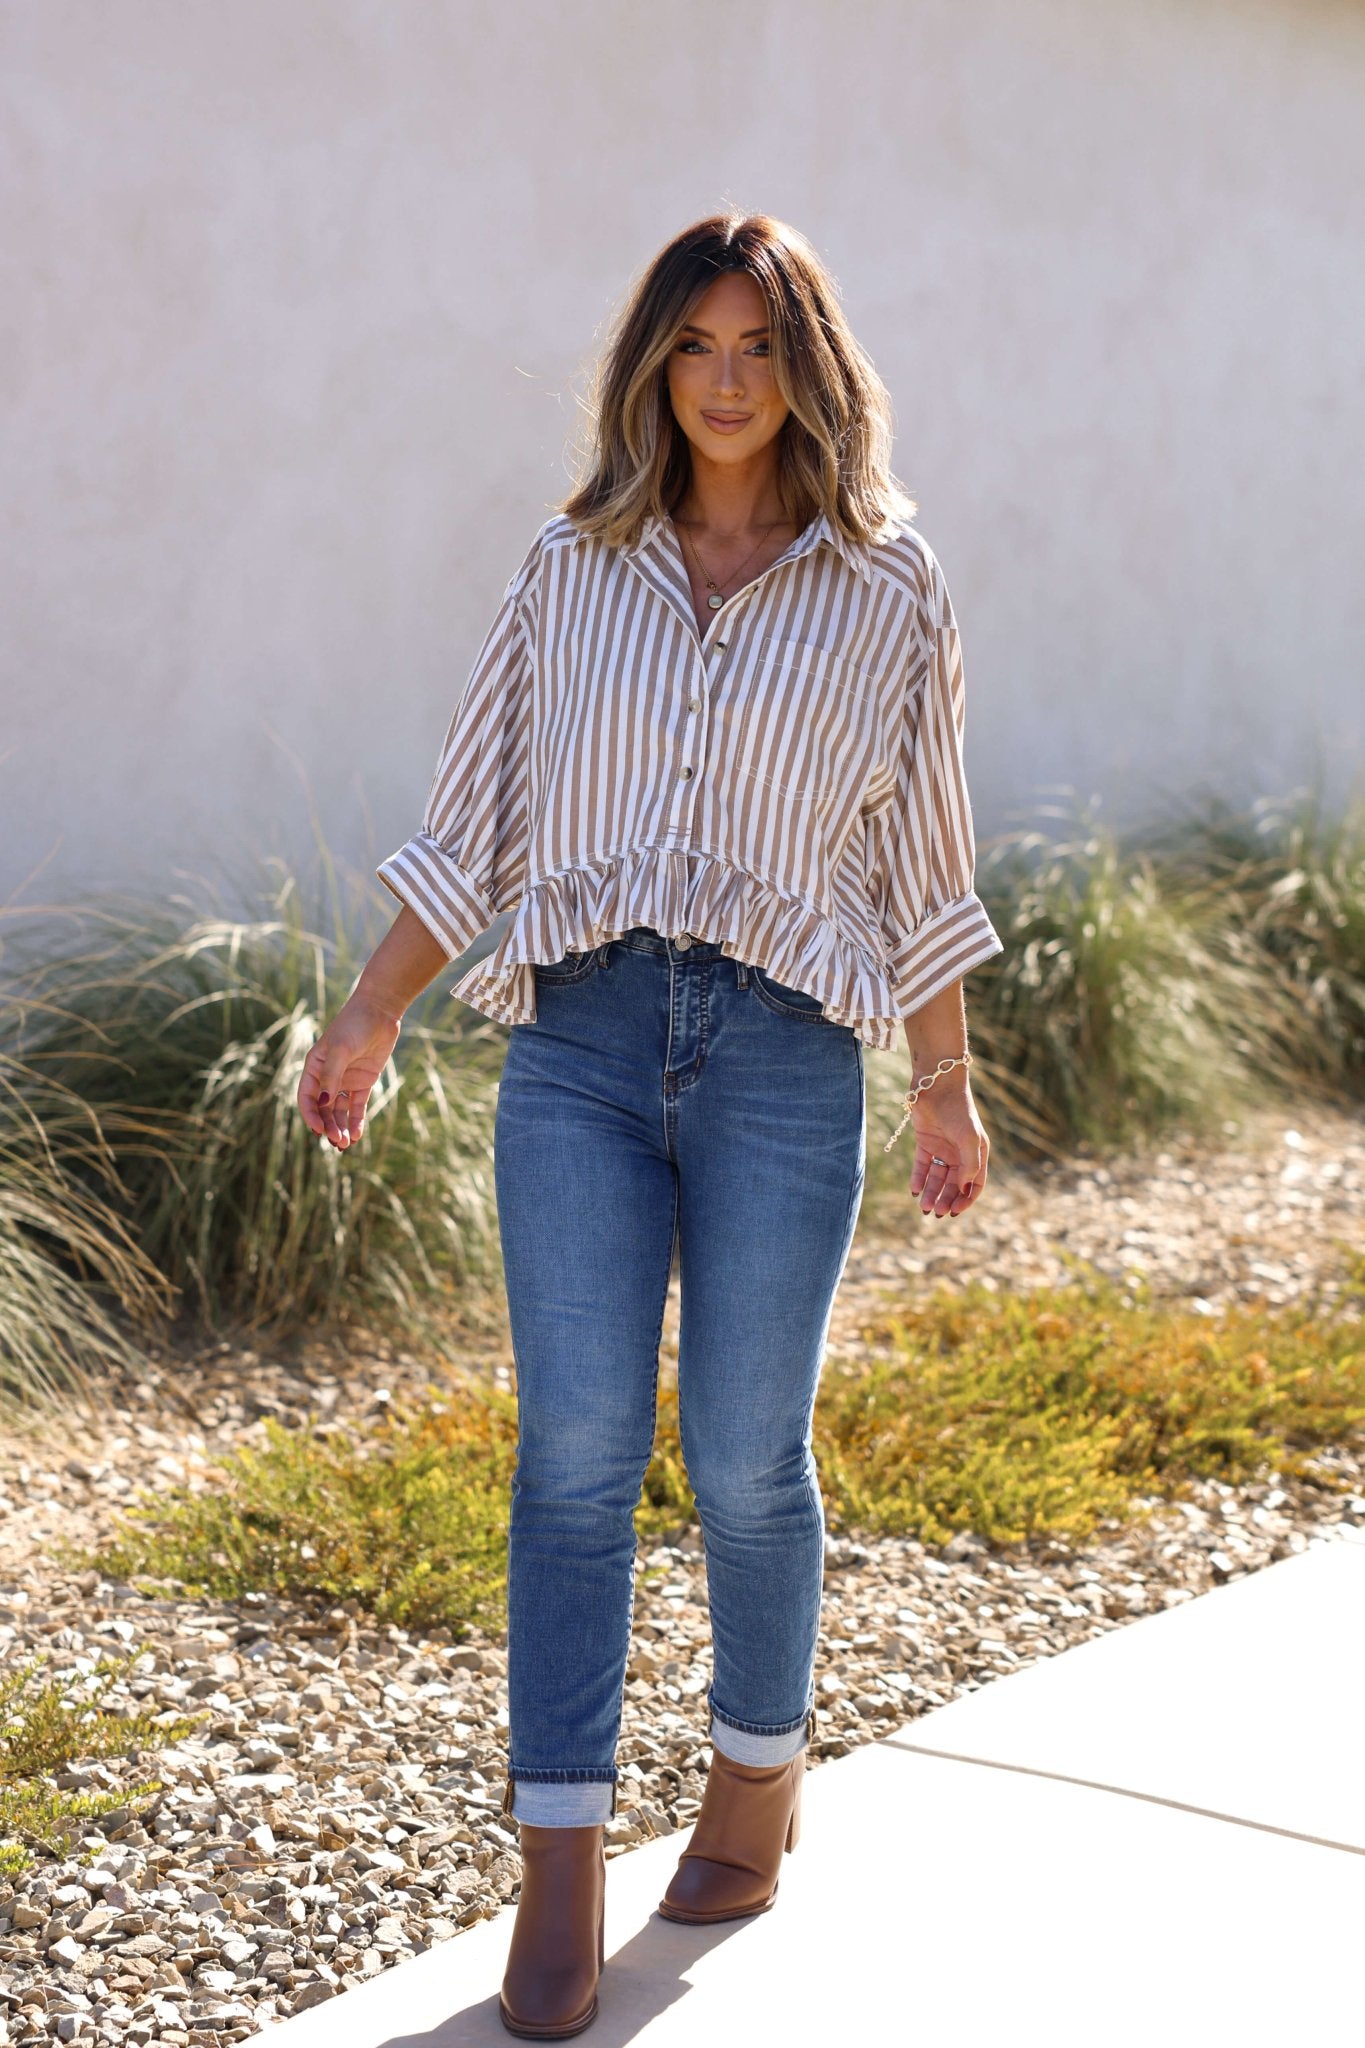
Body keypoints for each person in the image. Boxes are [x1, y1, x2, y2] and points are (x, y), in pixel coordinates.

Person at [298, 210, 1004, 2040]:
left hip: (781, 1053)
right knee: (576, 1453)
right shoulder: (569, 566)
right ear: (650, 367)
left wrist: (944, 1079)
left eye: (758, 347)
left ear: (807, 368)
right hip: (585, 1049)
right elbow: (478, 818)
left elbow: (921, 856)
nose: (723, 380)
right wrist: (374, 1007)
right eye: (693, 346)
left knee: (749, 1454)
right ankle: (559, 1864)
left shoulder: (886, 583)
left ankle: (755, 1786)